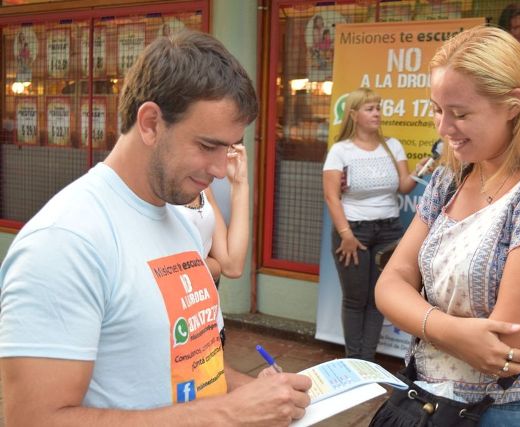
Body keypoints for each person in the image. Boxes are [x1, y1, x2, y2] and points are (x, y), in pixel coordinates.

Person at [0, 30, 311, 426]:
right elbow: (33, 419)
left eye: (229, 148)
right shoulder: (65, 242)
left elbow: (196, 368)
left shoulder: (180, 218)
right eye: (207, 146)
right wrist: (230, 413)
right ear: (150, 123)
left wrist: (259, 395)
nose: (221, 170)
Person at [375, 25, 520, 425]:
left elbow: (507, 347)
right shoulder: (452, 177)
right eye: (437, 109)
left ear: (514, 105)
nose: (443, 129)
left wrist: (418, 315)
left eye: (461, 114)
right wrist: (451, 331)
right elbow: (389, 283)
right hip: (430, 399)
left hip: (510, 410)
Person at [323, 87, 427, 362]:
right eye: (370, 109)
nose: (377, 114)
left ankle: (366, 361)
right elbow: (331, 196)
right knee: (355, 299)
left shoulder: (392, 146)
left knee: (378, 298)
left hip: (389, 231)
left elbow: (404, 187)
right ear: (354, 114)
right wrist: (345, 234)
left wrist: (419, 171)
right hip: (353, 232)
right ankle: (353, 360)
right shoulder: (340, 150)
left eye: (378, 108)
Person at [178, 143, 249, 283]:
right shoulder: (155, 189)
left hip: (203, 294)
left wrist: (240, 183)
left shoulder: (203, 190)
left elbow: (231, 266)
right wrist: (213, 266)